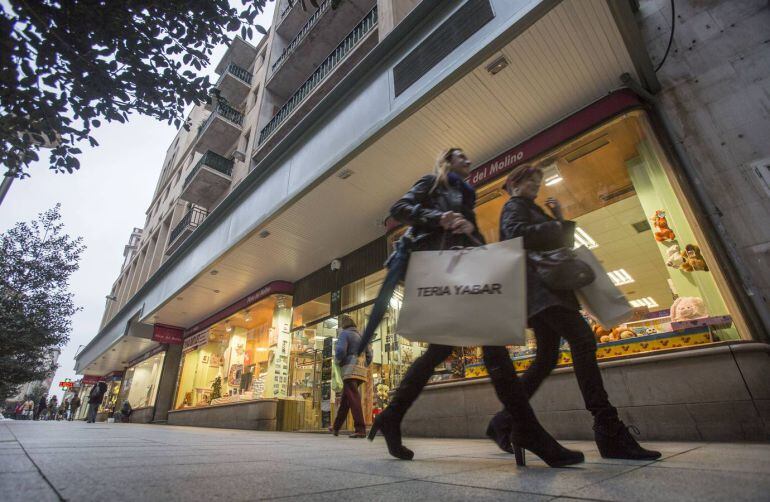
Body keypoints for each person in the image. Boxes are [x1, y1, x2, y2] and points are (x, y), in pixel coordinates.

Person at [368, 148, 583, 467]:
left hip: (465, 273)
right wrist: (440, 217)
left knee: (441, 351)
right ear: (447, 161)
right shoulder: (434, 182)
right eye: (461, 157)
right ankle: (526, 430)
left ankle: (393, 415)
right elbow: (399, 209)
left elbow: (466, 236)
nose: (468, 162)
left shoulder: (465, 194)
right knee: (491, 343)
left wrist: (481, 249)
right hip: (450, 272)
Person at [485, 163, 660, 460]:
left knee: (546, 358)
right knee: (583, 341)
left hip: (546, 292)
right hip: (544, 292)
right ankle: (608, 427)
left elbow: (556, 241)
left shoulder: (530, 207)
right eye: (531, 182)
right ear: (515, 184)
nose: (536, 187)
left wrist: (558, 219)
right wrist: (555, 224)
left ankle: (503, 422)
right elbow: (514, 236)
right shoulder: (514, 205)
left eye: (538, 182)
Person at [331, 314, 372, 438]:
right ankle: (336, 427)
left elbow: (340, 351)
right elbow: (369, 355)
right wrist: (364, 364)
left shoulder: (344, 334)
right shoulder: (361, 335)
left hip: (349, 369)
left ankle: (360, 429)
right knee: (346, 399)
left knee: (353, 398)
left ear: (343, 325)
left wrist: (338, 361)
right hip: (361, 370)